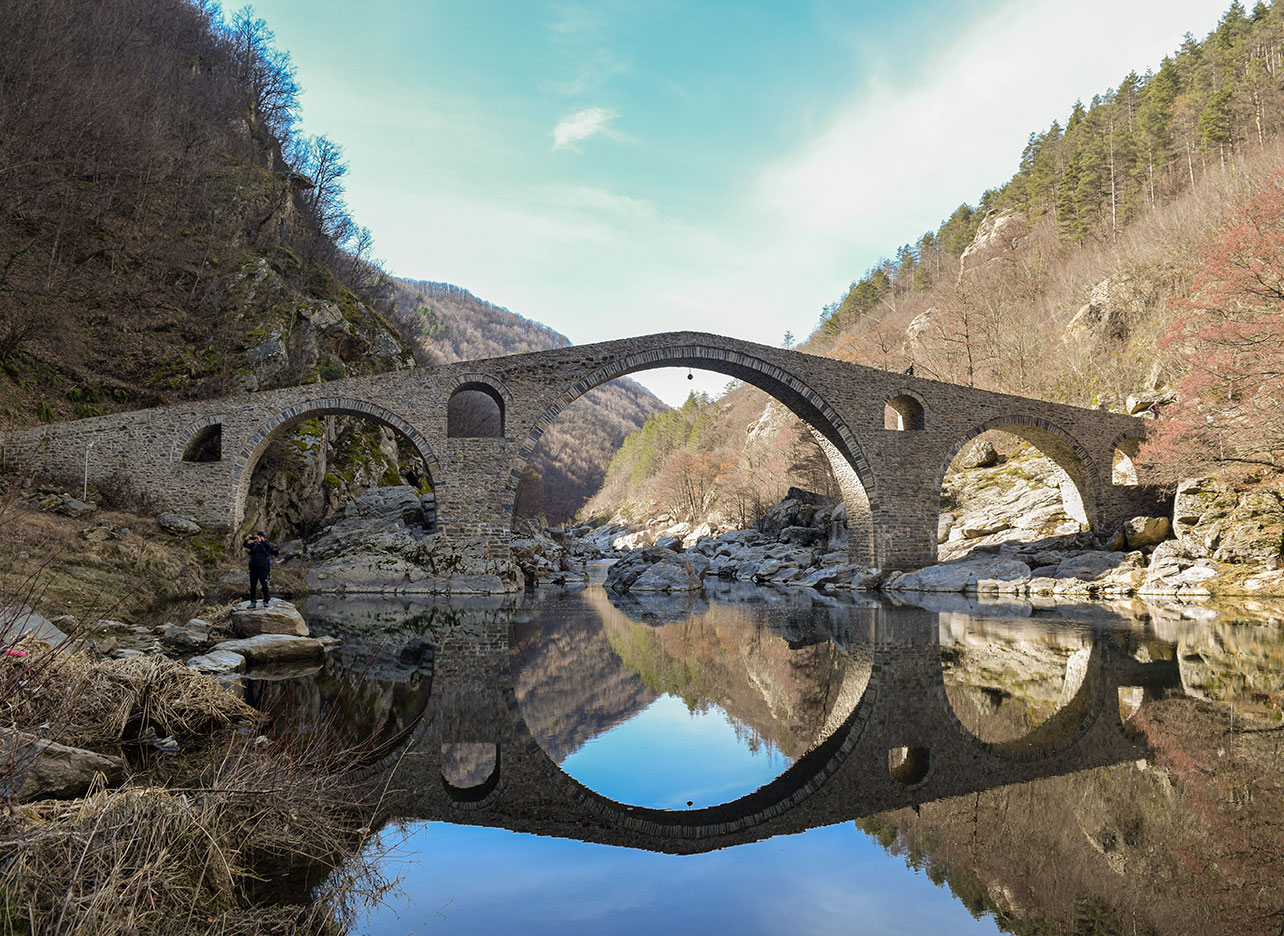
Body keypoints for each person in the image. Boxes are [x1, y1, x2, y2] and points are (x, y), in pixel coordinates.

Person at [242, 529, 278, 607]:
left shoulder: (267, 544)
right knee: (253, 585)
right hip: (253, 568)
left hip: (263, 568)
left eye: (261, 536)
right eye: (258, 536)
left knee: (264, 585)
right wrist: (246, 540)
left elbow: (269, 547)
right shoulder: (254, 544)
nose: (259, 538)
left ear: (263, 537)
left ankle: (266, 601)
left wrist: (262, 541)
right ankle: (253, 602)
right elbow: (245, 545)